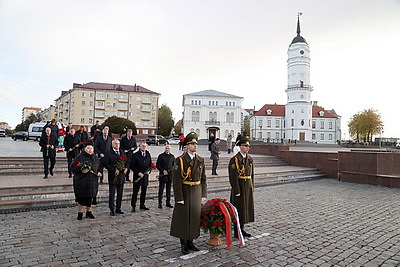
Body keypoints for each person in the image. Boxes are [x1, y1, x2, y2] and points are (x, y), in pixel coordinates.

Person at [170, 132, 207, 254]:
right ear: (186, 145)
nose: (195, 145)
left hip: (196, 191)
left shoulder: (200, 160)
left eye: (196, 143)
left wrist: (203, 194)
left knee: (194, 218)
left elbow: (203, 179)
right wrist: (179, 197)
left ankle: (191, 241)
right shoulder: (180, 161)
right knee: (184, 218)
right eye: (192, 143)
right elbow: (176, 181)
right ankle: (183, 243)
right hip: (185, 191)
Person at [228, 135, 254, 238]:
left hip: (247, 186)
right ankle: (236, 230)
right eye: (245, 146)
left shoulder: (250, 159)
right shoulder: (234, 160)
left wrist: (252, 187)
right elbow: (232, 177)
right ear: (240, 146)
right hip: (239, 187)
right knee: (238, 209)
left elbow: (252, 174)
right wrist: (236, 190)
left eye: (248, 146)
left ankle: (241, 229)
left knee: (245, 209)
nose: (247, 148)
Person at [71, 140, 102, 220]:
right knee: (82, 198)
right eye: (88, 148)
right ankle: (80, 213)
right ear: (84, 148)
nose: (90, 150)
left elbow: (99, 166)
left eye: (91, 148)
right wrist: (81, 170)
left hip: (93, 181)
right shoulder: (80, 157)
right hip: (82, 181)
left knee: (90, 197)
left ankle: (89, 212)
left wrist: (99, 172)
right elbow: (72, 167)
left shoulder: (95, 157)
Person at [103, 139, 128, 216]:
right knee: (112, 193)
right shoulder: (108, 152)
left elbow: (127, 161)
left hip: (121, 176)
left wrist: (126, 168)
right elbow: (105, 163)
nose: (117, 145)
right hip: (113, 176)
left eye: (118, 144)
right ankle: (112, 209)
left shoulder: (122, 152)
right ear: (112, 144)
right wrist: (114, 170)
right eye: (115, 144)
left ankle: (118, 208)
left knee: (120, 193)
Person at [130, 142, 152, 212]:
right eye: (143, 146)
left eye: (145, 146)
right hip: (137, 176)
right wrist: (138, 172)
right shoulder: (135, 155)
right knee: (135, 192)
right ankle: (133, 205)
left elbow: (150, 165)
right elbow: (132, 166)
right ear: (140, 146)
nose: (144, 147)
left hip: (145, 176)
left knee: (144, 191)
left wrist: (149, 171)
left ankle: (142, 204)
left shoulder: (148, 154)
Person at [156, 144, 175, 209]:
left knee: (168, 190)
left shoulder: (172, 156)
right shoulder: (161, 156)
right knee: (161, 190)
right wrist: (163, 170)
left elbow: (174, 165)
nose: (167, 149)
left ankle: (168, 202)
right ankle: (160, 203)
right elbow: (158, 165)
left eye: (168, 148)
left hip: (169, 176)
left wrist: (171, 171)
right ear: (165, 149)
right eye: (166, 148)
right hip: (163, 175)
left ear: (170, 149)